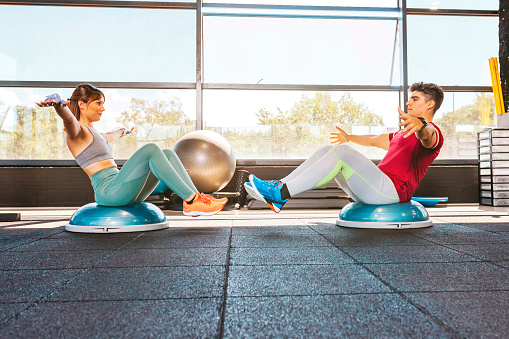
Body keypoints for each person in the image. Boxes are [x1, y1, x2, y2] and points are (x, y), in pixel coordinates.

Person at [245, 82, 444, 213]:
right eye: (409, 98)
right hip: (373, 187)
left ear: (430, 104)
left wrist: (421, 125)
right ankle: (277, 188)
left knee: (342, 154)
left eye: (415, 99)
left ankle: (280, 195)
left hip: (393, 191)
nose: (408, 102)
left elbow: (428, 137)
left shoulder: (432, 132)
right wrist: (349, 137)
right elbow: (373, 140)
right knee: (326, 150)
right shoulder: (401, 134)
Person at [37, 83, 227, 217]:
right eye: (98, 103)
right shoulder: (77, 133)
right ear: (82, 104)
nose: (103, 109)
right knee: (151, 149)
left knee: (168, 154)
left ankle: (197, 200)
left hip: (121, 187)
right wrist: (58, 106)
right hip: (108, 191)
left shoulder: (96, 134)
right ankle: (192, 200)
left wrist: (124, 131)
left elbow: (113, 135)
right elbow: (69, 120)